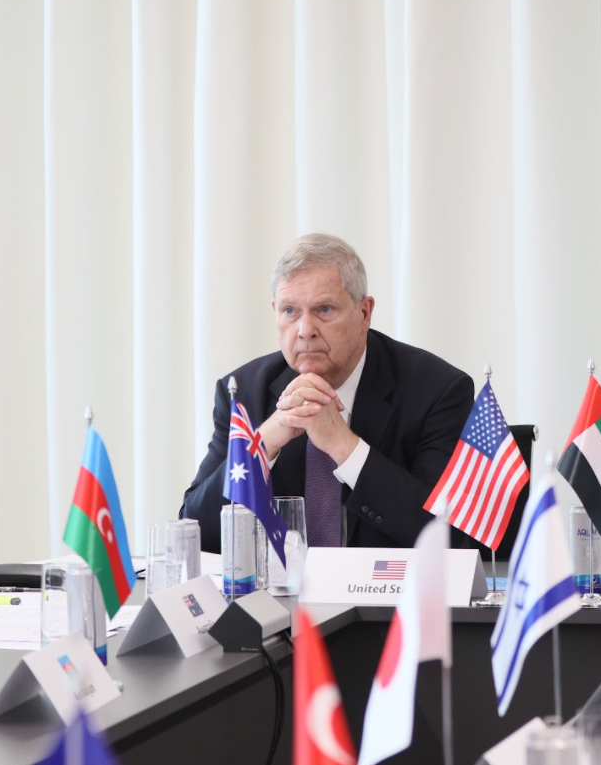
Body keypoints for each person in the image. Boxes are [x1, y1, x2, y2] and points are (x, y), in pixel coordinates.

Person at [181, 233, 474, 550]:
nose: (305, 330)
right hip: (280, 597)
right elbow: (196, 532)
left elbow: (447, 536)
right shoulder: (243, 392)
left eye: (324, 309)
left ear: (364, 313)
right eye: (290, 311)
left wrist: (343, 446)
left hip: (386, 596)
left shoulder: (436, 390)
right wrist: (263, 443)